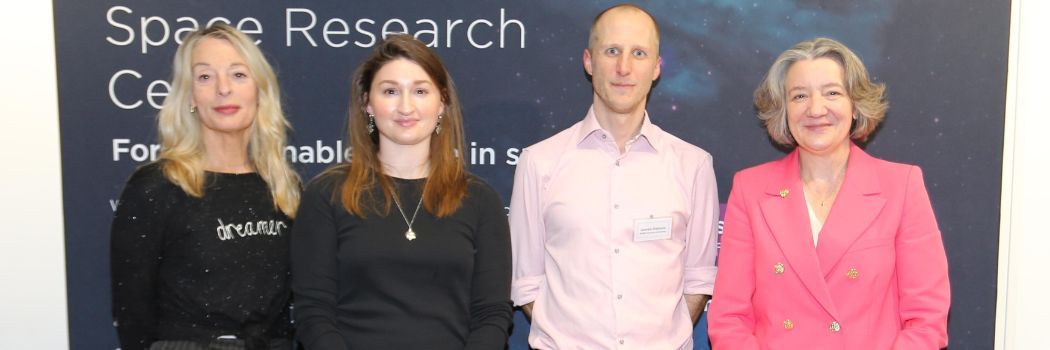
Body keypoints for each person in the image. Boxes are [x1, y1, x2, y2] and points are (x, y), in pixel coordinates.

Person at [708, 37, 951, 349]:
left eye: (832, 93)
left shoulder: (901, 185)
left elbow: (926, 319)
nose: (816, 109)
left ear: (855, 104)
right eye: (799, 96)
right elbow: (729, 318)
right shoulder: (750, 189)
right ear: (783, 110)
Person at [509, 4, 720, 349]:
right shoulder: (539, 162)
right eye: (612, 51)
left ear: (656, 67)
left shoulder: (693, 165)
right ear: (589, 62)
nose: (624, 67)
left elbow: (697, 279)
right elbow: (527, 282)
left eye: (638, 53)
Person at [290, 34, 512, 350]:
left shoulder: (480, 200)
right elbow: (314, 313)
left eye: (420, 91)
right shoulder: (326, 195)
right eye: (390, 91)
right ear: (367, 103)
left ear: (442, 102)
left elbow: (491, 314)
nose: (405, 106)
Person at [110, 23, 301, 350]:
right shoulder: (157, 186)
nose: (223, 89)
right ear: (189, 97)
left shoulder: (283, 187)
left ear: (259, 89)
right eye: (205, 77)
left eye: (238, 75)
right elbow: (132, 313)